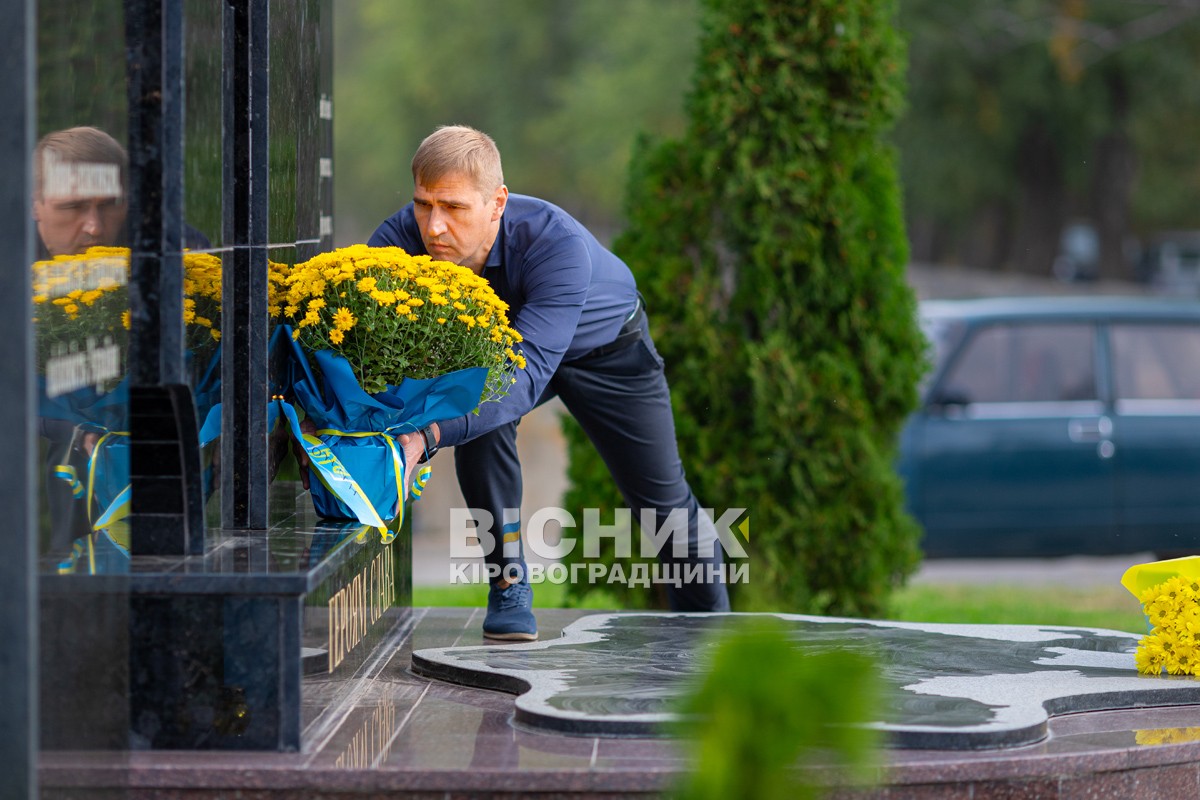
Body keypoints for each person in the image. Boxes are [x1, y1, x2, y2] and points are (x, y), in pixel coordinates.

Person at [370, 125, 731, 641]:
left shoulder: (553, 243)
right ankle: (509, 587)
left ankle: (712, 630)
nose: (434, 226)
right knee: (481, 426)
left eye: (453, 207)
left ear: (497, 203)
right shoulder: (401, 238)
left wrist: (427, 436)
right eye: (424, 205)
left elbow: (520, 377)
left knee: (663, 502)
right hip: (507, 355)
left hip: (607, 352)